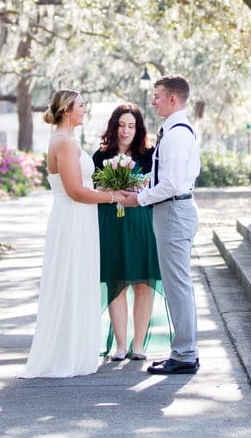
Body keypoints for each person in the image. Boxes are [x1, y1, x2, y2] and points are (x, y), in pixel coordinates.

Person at [20, 89, 121, 378]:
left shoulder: (68, 141)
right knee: (70, 280)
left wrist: (106, 191)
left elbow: (81, 187)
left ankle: (76, 350)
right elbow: (75, 192)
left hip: (81, 219)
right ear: (67, 110)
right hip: (72, 220)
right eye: (81, 105)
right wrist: (112, 197)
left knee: (77, 280)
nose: (85, 110)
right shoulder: (63, 143)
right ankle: (65, 355)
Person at [122, 75, 201, 375]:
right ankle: (185, 351)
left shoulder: (178, 134)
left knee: (177, 285)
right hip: (170, 210)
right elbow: (167, 179)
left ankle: (184, 354)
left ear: (172, 99)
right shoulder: (173, 131)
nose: (153, 101)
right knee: (176, 283)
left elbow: (171, 184)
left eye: (157, 96)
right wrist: (143, 189)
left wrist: (138, 200)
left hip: (173, 212)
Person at [92, 103, 168, 362]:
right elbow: (92, 189)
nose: (126, 131)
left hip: (142, 223)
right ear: (114, 127)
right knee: (118, 282)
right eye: (122, 125)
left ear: (139, 129)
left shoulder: (149, 154)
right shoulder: (101, 156)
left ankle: (139, 346)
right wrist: (110, 192)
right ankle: (120, 346)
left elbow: (159, 185)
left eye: (131, 126)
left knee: (143, 283)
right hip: (111, 223)